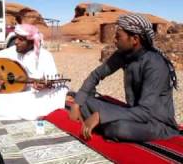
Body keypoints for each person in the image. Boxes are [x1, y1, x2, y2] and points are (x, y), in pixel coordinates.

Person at [69, 13, 180, 142]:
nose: (114, 40)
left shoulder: (155, 65)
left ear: (135, 39)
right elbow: (96, 75)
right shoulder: (123, 55)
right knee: (85, 103)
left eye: (118, 37)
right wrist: (77, 104)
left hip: (156, 121)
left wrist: (101, 115)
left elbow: (146, 111)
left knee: (119, 128)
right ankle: (101, 123)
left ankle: (103, 124)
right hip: (133, 112)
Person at [0, 24, 68, 120]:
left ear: (31, 42)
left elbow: (52, 80)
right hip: (16, 93)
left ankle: (20, 111)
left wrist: (44, 86)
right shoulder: (11, 51)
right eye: (16, 38)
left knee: (58, 93)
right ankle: (27, 112)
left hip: (37, 96)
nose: (16, 42)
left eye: (21, 39)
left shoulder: (45, 56)